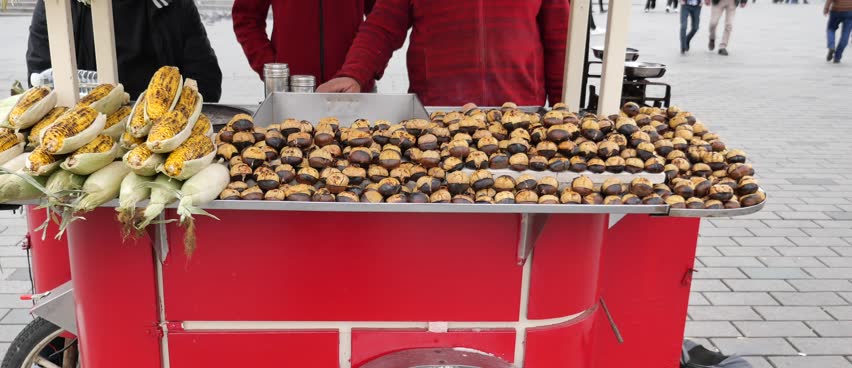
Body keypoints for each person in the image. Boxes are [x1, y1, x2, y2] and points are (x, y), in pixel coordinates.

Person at [316, 0, 570, 107]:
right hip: (438, 119)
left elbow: (561, 40)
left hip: (520, 118)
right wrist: (354, 74)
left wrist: (564, 107)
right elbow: (383, 25)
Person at [26, 0, 223, 101]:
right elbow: (41, 81)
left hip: (157, 128)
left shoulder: (174, 6)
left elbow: (206, 82)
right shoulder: (59, 7)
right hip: (84, 127)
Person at [232, 0, 376, 89]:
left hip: (354, 90)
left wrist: (361, 71)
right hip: (289, 94)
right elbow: (246, 17)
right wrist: (274, 71)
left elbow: (381, 18)